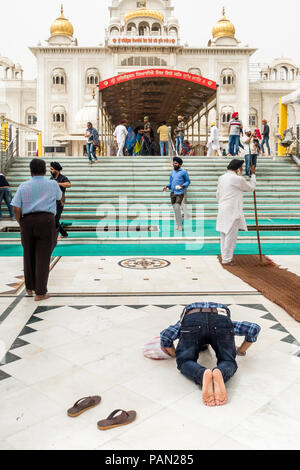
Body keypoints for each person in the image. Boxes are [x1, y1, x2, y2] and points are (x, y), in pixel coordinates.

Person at [160, 302, 261, 406]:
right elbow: (253, 328)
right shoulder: (227, 319)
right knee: (228, 361)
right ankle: (220, 372)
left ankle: (202, 374)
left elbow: (166, 335)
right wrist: (240, 350)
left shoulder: (183, 320)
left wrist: (175, 354)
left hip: (192, 320)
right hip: (221, 320)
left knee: (185, 361)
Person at [11, 159, 62, 302]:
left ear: (30, 171)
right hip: (46, 221)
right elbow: (59, 198)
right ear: (45, 171)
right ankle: (40, 293)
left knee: (28, 254)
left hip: (27, 221)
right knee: (43, 257)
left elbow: (15, 207)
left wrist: (21, 222)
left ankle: (29, 288)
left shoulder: (23, 186)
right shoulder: (52, 184)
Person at [216, 159, 256, 266]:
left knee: (224, 234)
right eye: (241, 168)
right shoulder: (237, 179)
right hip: (232, 210)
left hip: (222, 208)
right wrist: (253, 175)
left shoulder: (222, 178)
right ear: (238, 169)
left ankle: (225, 257)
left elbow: (217, 194)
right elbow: (251, 188)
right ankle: (227, 259)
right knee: (231, 236)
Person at [163, 157, 191, 231]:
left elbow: (188, 181)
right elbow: (170, 182)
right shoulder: (172, 172)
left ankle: (180, 226)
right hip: (172, 192)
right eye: (173, 163)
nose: (174, 164)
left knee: (177, 207)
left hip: (180, 193)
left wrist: (183, 185)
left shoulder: (184, 172)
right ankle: (178, 225)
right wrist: (166, 186)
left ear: (179, 164)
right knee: (176, 210)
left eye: (176, 163)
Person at [50, 162, 71, 239]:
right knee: (54, 220)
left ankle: (59, 234)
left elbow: (69, 184)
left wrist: (58, 184)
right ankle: (63, 233)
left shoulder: (63, 178)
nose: (50, 171)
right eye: (50, 169)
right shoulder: (51, 179)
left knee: (55, 220)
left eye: (52, 169)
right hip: (51, 202)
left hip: (60, 202)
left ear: (57, 170)